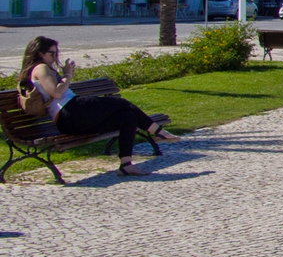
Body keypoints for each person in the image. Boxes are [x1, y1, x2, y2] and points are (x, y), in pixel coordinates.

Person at [17, 36, 177, 177]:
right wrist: (67, 75)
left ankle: (126, 165)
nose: (55, 57)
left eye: (56, 53)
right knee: (122, 103)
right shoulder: (41, 68)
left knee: (127, 117)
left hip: (73, 117)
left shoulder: (46, 68)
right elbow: (57, 93)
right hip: (69, 112)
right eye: (51, 53)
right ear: (40, 53)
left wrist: (65, 75)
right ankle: (157, 131)